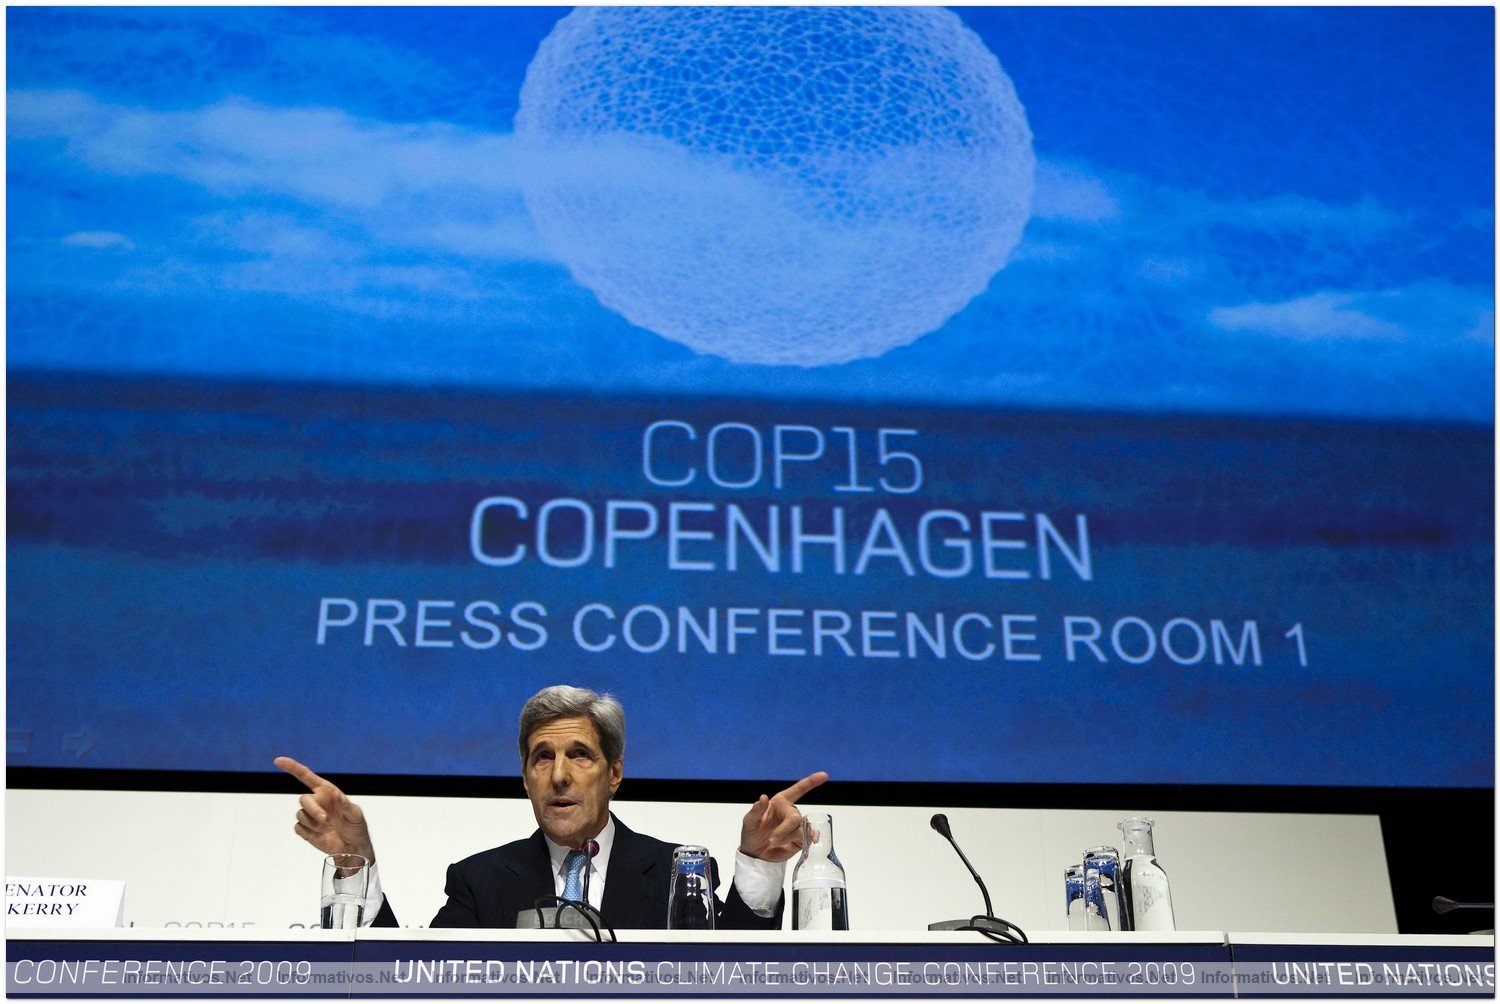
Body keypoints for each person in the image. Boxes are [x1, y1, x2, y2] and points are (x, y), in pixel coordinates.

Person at [275, 685, 827, 929]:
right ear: (525, 777)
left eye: (580, 755)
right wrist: (356, 860)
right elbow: (413, 985)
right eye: (542, 757)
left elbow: (728, 984)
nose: (559, 774)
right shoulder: (480, 881)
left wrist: (759, 865)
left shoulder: (681, 871)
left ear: (614, 773)